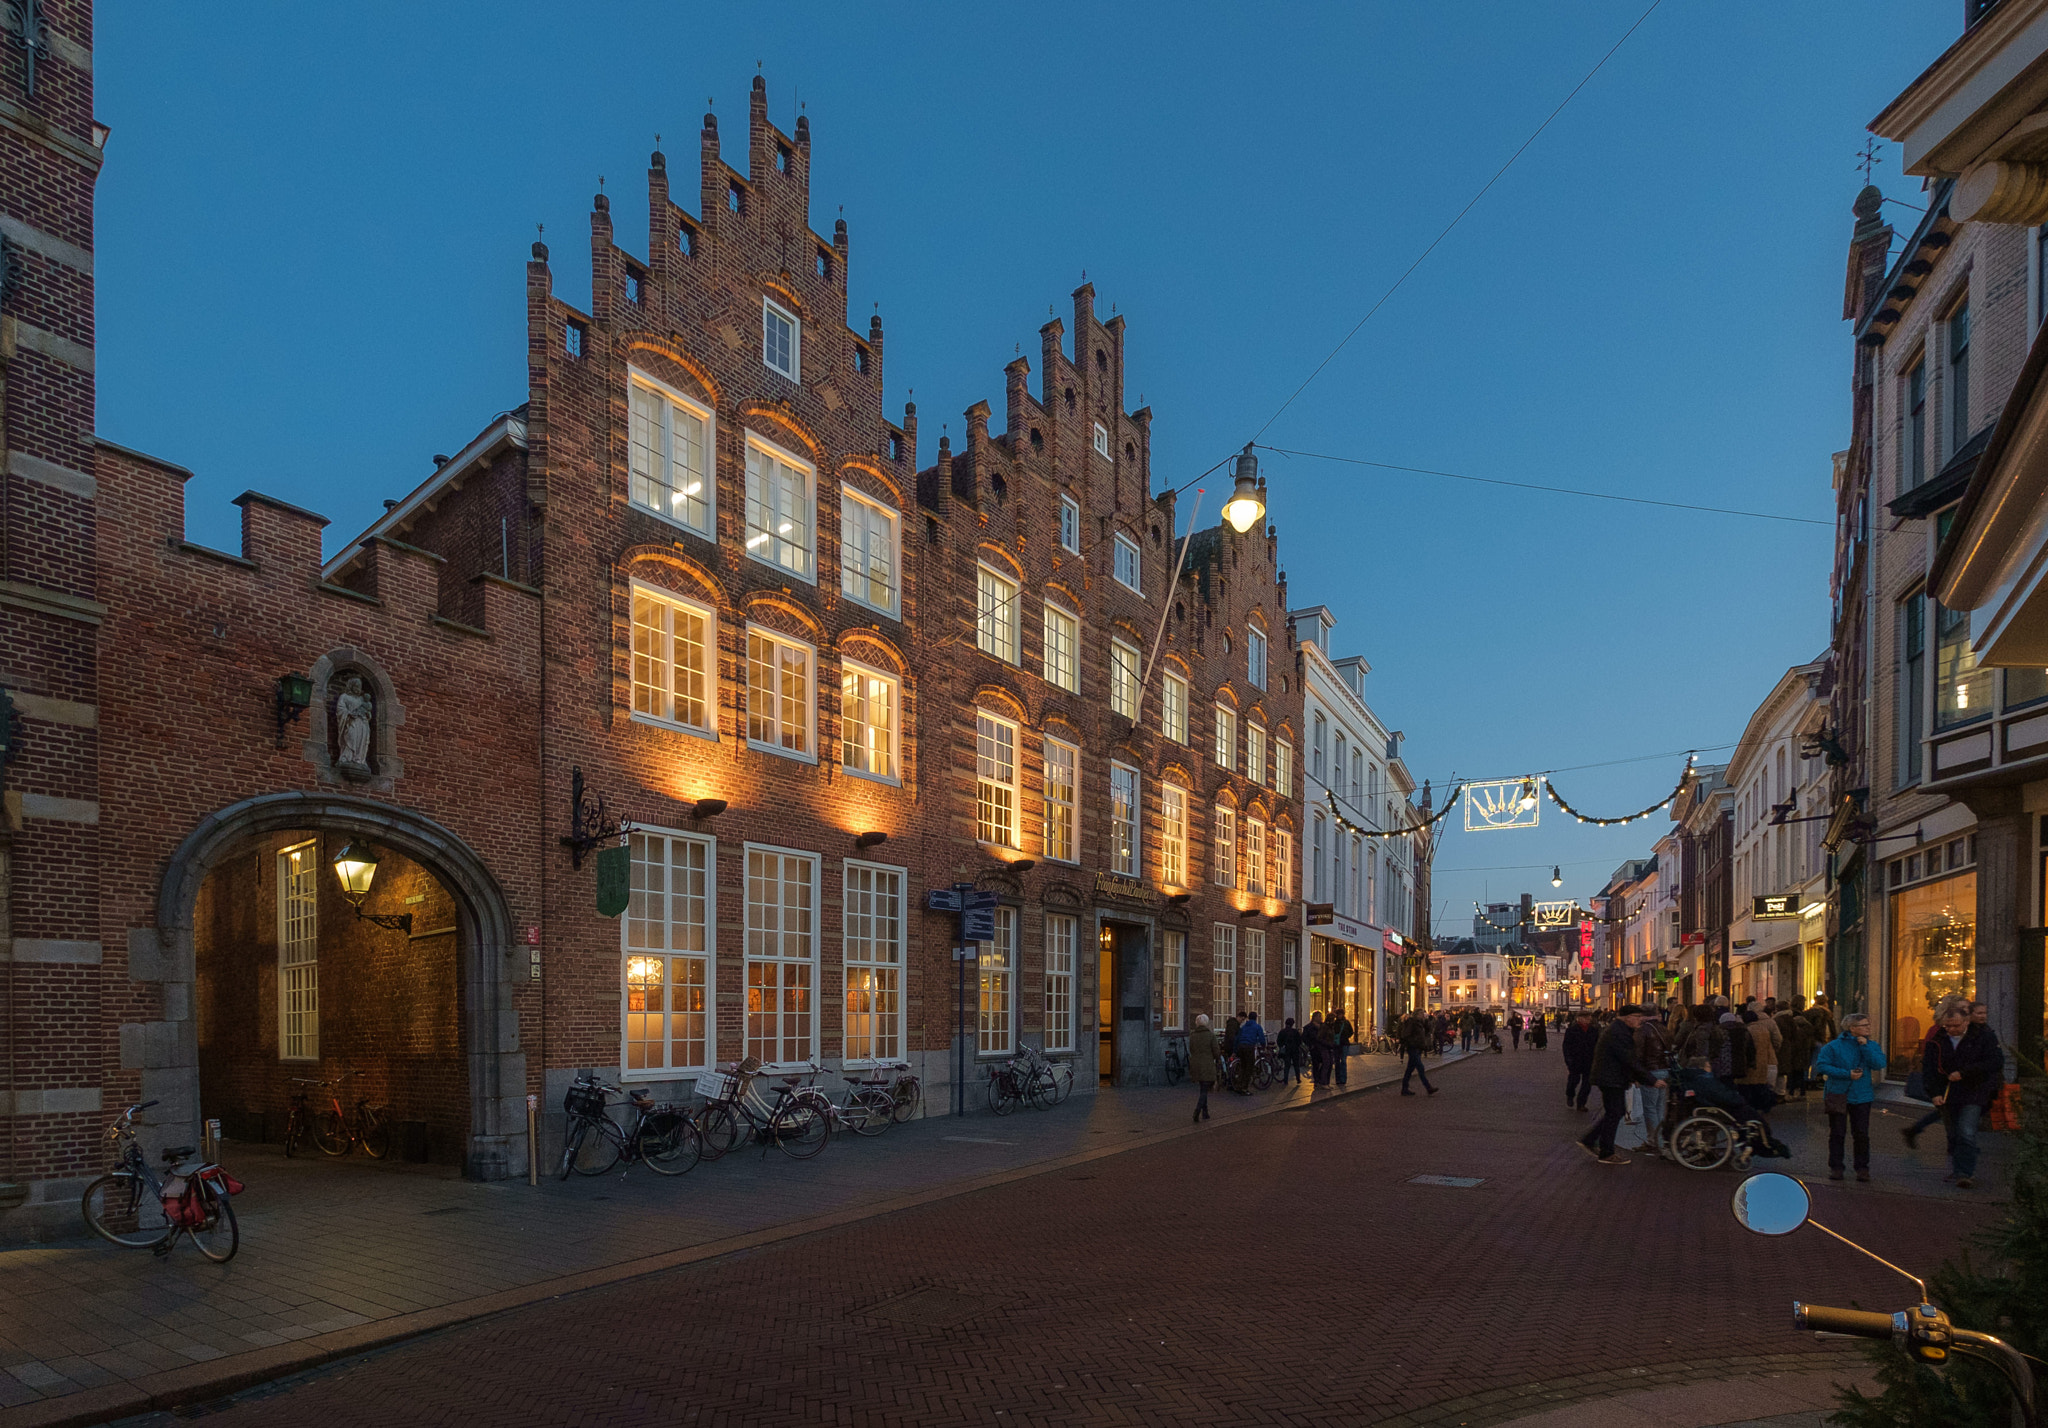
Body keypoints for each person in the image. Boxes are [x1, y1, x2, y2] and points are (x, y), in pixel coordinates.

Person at [1925, 1002, 2001, 1189]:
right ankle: (1958, 1168)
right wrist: (1934, 1093)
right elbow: (1929, 1069)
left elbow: (1995, 1061)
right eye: (1947, 1026)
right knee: (1953, 1134)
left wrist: (1965, 1073)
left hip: (1973, 1091)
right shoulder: (1937, 1040)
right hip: (1948, 1093)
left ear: (1966, 1021)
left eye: (1956, 1026)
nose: (1951, 1029)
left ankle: (1965, 1173)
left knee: (1966, 1131)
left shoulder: (1983, 1037)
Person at [1579, 1004, 1657, 1165]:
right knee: (1615, 1112)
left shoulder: (1618, 1030)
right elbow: (1628, 1059)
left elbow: (1626, 1059)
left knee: (1615, 1111)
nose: (1640, 1020)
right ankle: (1605, 1151)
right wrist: (1651, 1080)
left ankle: (1592, 1140)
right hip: (1611, 1079)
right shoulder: (1619, 1033)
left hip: (1611, 1077)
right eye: (1636, 1017)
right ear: (1627, 1017)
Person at [1812, 1013, 1886, 1182]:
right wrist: (1846, 1074)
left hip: (1862, 1095)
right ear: (1852, 1028)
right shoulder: (1833, 1047)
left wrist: (1865, 1047)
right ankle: (1836, 1167)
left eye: (1868, 1025)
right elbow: (1822, 1065)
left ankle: (1862, 1168)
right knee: (1837, 1132)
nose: (1868, 1028)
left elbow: (1879, 1064)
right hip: (1838, 1094)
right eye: (1864, 1025)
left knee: (1861, 1133)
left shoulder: (1871, 1045)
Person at [1633, 1008, 1672, 1154]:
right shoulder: (1664, 1029)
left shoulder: (1643, 1031)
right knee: (1660, 1108)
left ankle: (1655, 1141)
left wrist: (1637, 1075)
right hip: (1665, 1070)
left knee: (1649, 1108)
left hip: (1650, 1071)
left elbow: (1638, 1054)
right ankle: (1659, 1138)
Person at [1739, 1006, 1782, 1116]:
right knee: (1762, 1084)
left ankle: (1756, 1106)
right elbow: (1777, 1040)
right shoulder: (1764, 1029)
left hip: (1753, 1062)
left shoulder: (1747, 1030)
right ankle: (1766, 1104)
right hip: (1767, 1060)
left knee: (1752, 1085)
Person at [1775, 998, 1813, 1100]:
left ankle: (1791, 1093)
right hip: (1801, 1052)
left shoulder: (1780, 1020)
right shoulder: (1798, 1022)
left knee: (1790, 1073)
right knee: (1799, 1073)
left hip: (1792, 1051)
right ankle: (1800, 1093)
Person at [1562, 1009, 1598, 1111]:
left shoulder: (1593, 1030)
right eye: (1586, 1018)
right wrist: (1568, 1060)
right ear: (1579, 1018)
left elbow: (1597, 1045)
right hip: (1575, 1060)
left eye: (1589, 1018)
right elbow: (1566, 1046)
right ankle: (1570, 1095)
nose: (1588, 1020)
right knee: (1573, 1081)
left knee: (1587, 1084)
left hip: (1589, 1060)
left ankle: (1581, 1103)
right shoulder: (1572, 1030)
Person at [1399, 1009, 1439, 1096]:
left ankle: (1404, 1088)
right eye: (1421, 1013)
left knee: (1410, 1069)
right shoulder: (1411, 1022)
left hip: (1418, 1048)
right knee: (1420, 1068)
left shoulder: (1420, 1023)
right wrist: (1412, 1043)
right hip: (1413, 1048)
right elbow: (1406, 1034)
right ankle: (1428, 1088)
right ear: (1416, 1014)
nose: (1422, 1015)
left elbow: (1428, 1030)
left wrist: (1427, 1020)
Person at [1188, 1014, 1219, 1124]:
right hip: (1207, 1064)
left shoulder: (1192, 1036)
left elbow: (1191, 1049)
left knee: (1202, 1087)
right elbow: (1216, 1051)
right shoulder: (1210, 1036)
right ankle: (1197, 1110)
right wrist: (1216, 1059)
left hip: (1196, 1065)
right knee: (1204, 1090)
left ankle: (1205, 1112)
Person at [1235, 1010, 1266, 1093]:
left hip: (1241, 1046)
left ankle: (1238, 1085)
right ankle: (1244, 1088)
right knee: (1249, 1068)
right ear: (1256, 1018)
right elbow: (1262, 1038)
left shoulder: (1243, 1026)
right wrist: (1263, 1046)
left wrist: (1235, 1050)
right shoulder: (1257, 1027)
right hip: (1249, 1047)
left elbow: (1237, 1038)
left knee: (1243, 1067)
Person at [1306, 1011, 1333, 1087]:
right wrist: (1310, 1045)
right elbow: (1306, 1038)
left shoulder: (1323, 1026)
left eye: (1321, 1016)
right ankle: (1317, 1081)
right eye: (1319, 1016)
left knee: (1326, 1064)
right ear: (1314, 1017)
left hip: (1323, 1047)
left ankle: (1322, 1080)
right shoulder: (1309, 1027)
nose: (1321, 1018)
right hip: (1315, 1048)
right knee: (1316, 1064)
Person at [1329, 1007, 1354, 1087]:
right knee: (1338, 1061)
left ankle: (1342, 1079)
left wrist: (1345, 1036)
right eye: (1338, 1014)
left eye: (1340, 1014)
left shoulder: (1345, 1023)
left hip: (1343, 1044)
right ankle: (1339, 1079)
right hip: (1338, 1045)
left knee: (1342, 1061)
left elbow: (1351, 1032)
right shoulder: (1335, 1023)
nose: (1339, 1016)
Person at [1277, 1016, 1304, 1084]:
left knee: (1287, 1066)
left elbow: (1279, 1041)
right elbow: (1299, 1041)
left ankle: (1286, 1080)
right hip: (1295, 1050)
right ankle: (1298, 1079)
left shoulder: (1282, 1031)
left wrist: (1282, 1046)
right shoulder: (1295, 1032)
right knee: (1296, 1065)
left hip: (1286, 1050)